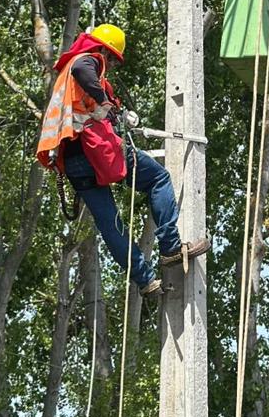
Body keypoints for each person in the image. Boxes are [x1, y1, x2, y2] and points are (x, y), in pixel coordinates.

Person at [36, 23, 209, 296]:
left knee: (110, 224)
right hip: (95, 149)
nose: (110, 66)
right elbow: (85, 71)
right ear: (103, 50)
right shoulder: (85, 60)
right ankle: (170, 247)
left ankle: (145, 280)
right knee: (158, 178)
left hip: (73, 161)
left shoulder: (65, 80)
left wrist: (112, 109)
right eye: (111, 59)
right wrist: (105, 101)